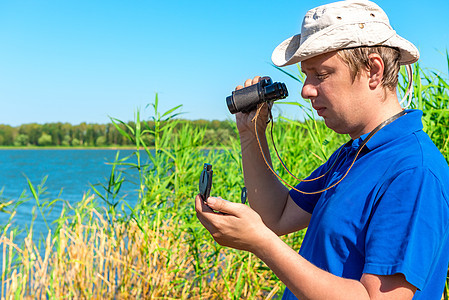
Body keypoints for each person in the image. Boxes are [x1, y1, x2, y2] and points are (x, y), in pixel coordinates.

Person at [195, 0, 449, 299]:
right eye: (305, 74)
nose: (305, 89)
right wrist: (252, 133)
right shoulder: (354, 153)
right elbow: (276, 216)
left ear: (373, 71)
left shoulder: (413, 172)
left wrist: (261, 243)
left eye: (321, 74)